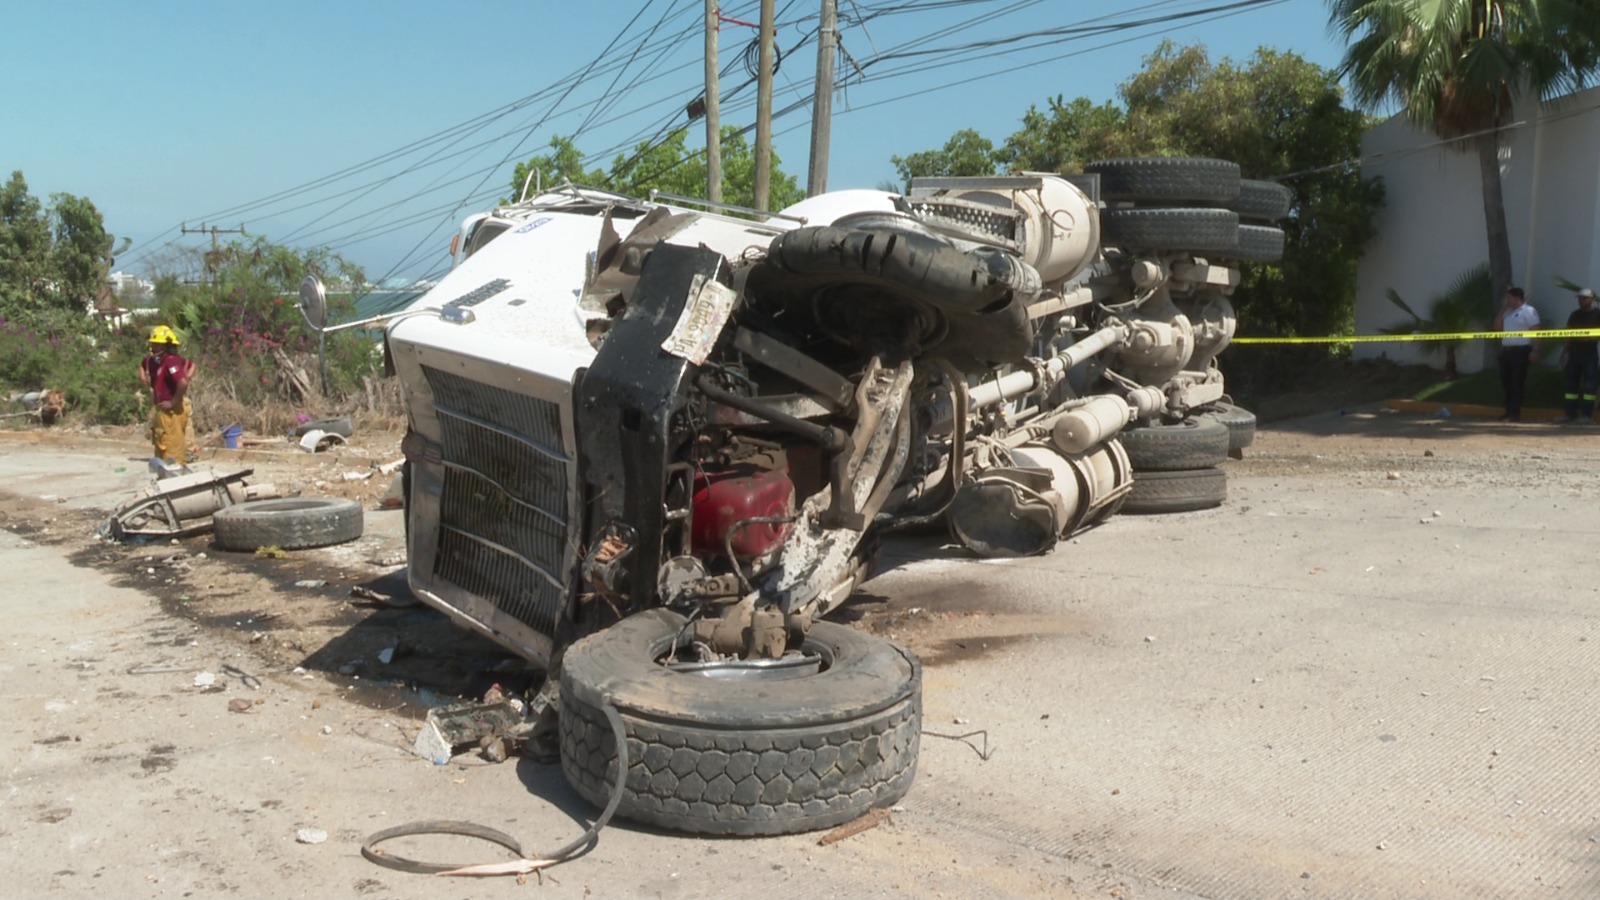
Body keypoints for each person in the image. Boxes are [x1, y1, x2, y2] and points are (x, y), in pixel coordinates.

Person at [139, 325, 192, 462]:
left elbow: (183, 383)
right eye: (153, 344)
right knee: (162, 446)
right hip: (162, 411)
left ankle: (175, 477)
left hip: (171, 413)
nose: (154, 347)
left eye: (157, 344)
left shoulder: (171, 361)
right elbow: (142, 364)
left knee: (172, 450)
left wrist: (173, 402)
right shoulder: (158, 361)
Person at [1493, 286, 1539, 422]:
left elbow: (1536, 331)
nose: (1507, 300)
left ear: (1517, 297)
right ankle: (1508, 411)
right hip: (1507, 350)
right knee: (1506, 381)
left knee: (1517, 382)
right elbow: (1497, 328)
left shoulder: (1528, 311)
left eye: (1509, 298)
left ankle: (1515, 413)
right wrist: (1502, 310)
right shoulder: (1507, 312)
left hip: (1521, 350)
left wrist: (1535, 350)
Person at [1556, 287, 1600, 424]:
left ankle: (1586, 415)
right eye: (1580, 298)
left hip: (1589, 354)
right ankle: (1570, 414)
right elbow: (1569, 334)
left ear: (1592, 299)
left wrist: (1583, 338)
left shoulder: (1597, 314)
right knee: (1571, 386)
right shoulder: (1575, 315)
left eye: (1584, 298)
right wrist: (1564, 353)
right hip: (1574, 354)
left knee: (1589, 386)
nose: (1581, 301)